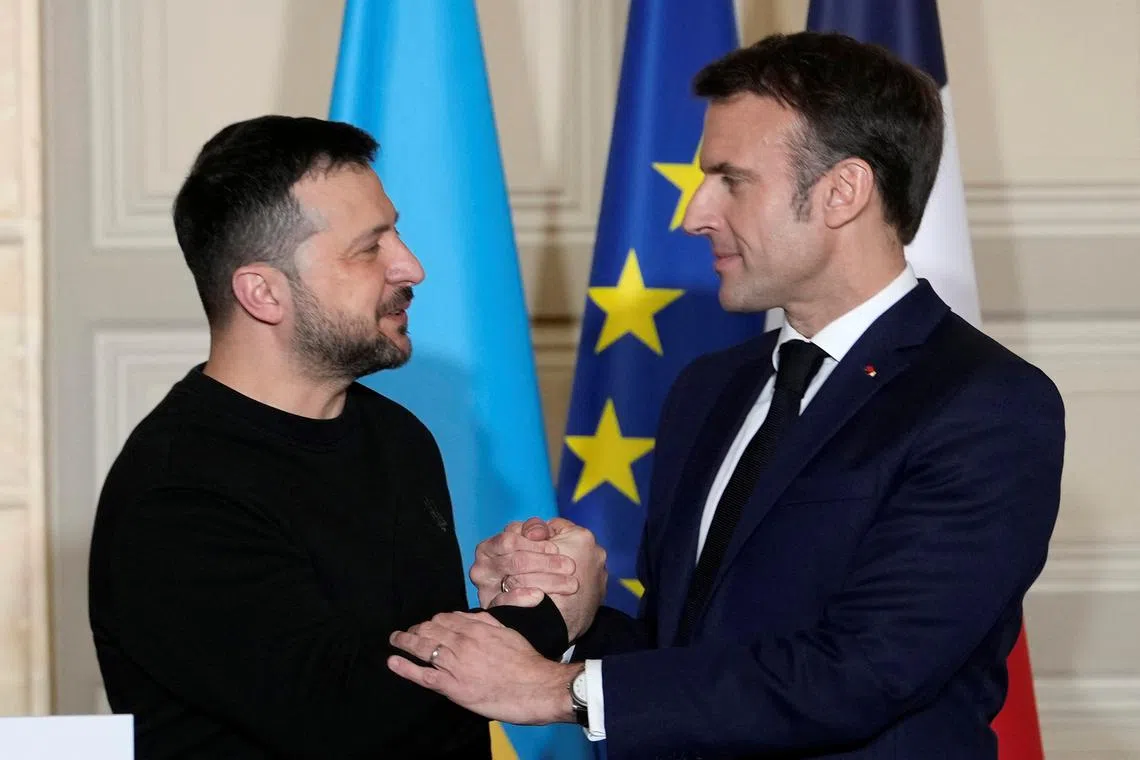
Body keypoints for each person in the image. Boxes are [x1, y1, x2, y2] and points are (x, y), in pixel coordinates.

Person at [385, 31, 1066, 759]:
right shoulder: (712, 388)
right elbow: (688, 649)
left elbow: (864, 672)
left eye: (731, 179)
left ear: (843, 192)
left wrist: (556, 691)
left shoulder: (985, 404)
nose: (695, 213)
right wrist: (574, 617)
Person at [87, 115, 570, 759]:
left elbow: (419, 670)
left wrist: (510, 598)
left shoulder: (397, 436)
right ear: (263, 292)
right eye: (370, 247)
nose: (412, 266)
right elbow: (350, 714)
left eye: (395, 231)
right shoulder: (179, 496)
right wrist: (548, 615)